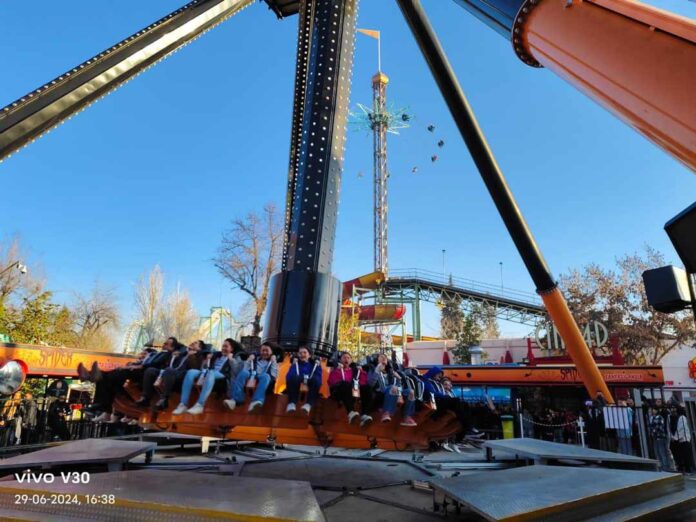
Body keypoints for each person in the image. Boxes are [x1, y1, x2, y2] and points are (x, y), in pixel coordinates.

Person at [87, 340, 182, 422]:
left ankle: (103, 402)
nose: (163, 344)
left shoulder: (167, 354)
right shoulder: (156, 354)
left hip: (146, 375)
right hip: (140, 372)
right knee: (110, 380)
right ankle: (102, 403)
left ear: (172, 346)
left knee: (118, 374)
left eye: (167, 343)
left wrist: (136, 366)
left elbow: (154, 364)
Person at [173, 338, 242, 415]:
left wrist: (231, 359)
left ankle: (200, 404)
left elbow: (237, 371)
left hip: (222, 376)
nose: (223, 348)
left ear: (232, 348)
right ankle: (183, 404)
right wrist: (206, 360)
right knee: (191, 372)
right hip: (208, 372)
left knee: (211, 372)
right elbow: (204, 368)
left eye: (226, 346)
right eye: (223, 346)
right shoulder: (216, 355)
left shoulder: (236, 357)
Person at [137, 340, 206, 410]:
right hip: (170, 372)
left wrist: (191, 356)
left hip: (183, 376)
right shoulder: (183, 352)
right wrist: (174, 356)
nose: (192, 343)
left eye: (196, 343)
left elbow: (196, 368)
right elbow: (170, 364)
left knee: (169, 370)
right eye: (193, 342)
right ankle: (145, 398)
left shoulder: (200, 355)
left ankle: (164, 399)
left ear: (200, 348)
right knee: (150, 370)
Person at [421, 366, 477, 438]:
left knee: (465, 405)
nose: (440, 377)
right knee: (456, 401)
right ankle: (467, 426)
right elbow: (432, 393)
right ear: (434, 373)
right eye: (439, 375)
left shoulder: (434, 382)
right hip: (433, 402)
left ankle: (468, 426)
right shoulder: (425, 381)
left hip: (438, 400)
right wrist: (445, 396)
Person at [225, 342, 279, 413]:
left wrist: (274, 361)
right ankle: (235, 399)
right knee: (244, 372)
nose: (264, 352)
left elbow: (274, 375)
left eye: (267, 350)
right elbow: (245, 368)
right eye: (263, 350)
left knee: (266, 376)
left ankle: (256, 400)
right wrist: (249, 360)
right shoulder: (255, 358)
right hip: (252, 376)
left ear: (271, 352)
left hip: (263, 379)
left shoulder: (273, 362)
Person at [368, 353, 417, 426]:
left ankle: (407, 416)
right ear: (376, 360)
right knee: (393, 387)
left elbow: (399, 386)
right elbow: (370, 383)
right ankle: (386, 413)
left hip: (393, 391)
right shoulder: (373, 369)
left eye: (385, 357)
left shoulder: (391, 372)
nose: (384, 358)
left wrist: (399, 379)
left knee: (411, 392)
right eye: (381, 357)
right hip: (380, 393)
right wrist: (377, 370)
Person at [327, 352, 373, 426]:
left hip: (353, 393)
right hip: (339, 393)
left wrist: (361, 371)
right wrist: (337, 370)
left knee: (367, 388)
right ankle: (350, 412)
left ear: (351, 361)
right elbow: (332, 382)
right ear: (340, 360)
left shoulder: (354, 371)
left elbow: (364, 382)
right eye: (344, 357)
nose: (346, 359)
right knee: (345, 384)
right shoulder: (336, 370)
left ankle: (365, 414)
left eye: (348, 358)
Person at [285, 346, 322, 415]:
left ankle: (309, 404)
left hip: (310, 381)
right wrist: (293, 365)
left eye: (304, 352)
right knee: (294, 377)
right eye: (300, 353)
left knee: (316, 380)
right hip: (298, 381)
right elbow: (289, 377)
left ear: (309, 355)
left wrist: (318, 365)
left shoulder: (314, 365)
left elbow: (319, 378)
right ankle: (292, 403)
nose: (302, 354)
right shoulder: (296, 364)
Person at [648, 406, 675, 471]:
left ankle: (665, 466)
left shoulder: (659, 417)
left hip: (660, 437)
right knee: (657, 452)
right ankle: (661, 465)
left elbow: (658, 427)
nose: (652, 411)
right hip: (655, 437)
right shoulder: (653, 417)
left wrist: (652, 431)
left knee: (662, 452)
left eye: (654, 409)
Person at [671, 406, 693, 473]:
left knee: (686, 455)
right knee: (685, 455)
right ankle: (687, 469)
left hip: (684, 439)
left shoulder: (681, 417)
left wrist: (675, 437)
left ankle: (688, 469)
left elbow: (681, 428)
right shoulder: (681, 417)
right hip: (683, 439)